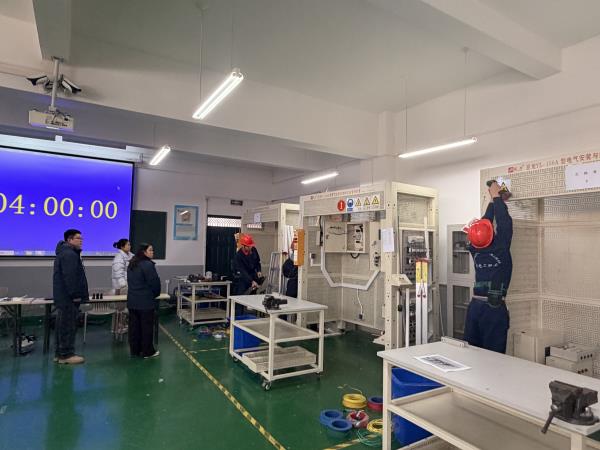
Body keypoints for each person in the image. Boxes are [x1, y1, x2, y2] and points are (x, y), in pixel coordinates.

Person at [463, 181, 513, 353]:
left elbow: (483, 226)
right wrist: (497, 197)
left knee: (472, 353)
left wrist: (493, 200)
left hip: (475, 308)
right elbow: (504, 223)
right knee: (494, 357)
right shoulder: (501, 248)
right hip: (494, 310)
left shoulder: (474, 248)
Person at [53, 229, 89, 364]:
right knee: (68, 326)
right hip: (69, 298)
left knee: (62, 326)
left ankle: (59, 354)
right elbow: (71, 277)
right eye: (78, 238)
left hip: (64, 297)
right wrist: (75, 295)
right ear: (69, 240)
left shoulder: (64, 253)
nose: (81, 241)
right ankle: (66, 355)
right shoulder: (69, 255)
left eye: (81, 238)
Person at [127, 243, 161, 358]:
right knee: (146, 328)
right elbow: (154, 283)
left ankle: (135, 351)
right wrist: (155, 294)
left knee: (134, 328)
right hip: (145, 302)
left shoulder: (132, 263)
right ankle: (147, 352)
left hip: (132, 302)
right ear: (144, 252)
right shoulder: (148, 265)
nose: (152, 252)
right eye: (150, 250)